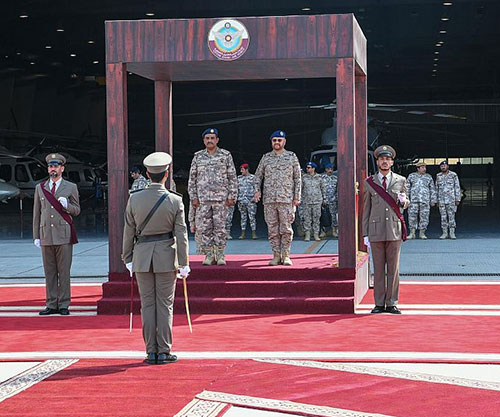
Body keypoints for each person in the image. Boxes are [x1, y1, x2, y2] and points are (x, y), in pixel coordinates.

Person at [122, 152, 189, 365]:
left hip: (141, 257)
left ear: (147, 174)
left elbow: (128, 232)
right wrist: (184, 262)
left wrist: (128, 258)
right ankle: (164, 350)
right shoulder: (175, 200)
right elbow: (181, 234)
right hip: (166, 256)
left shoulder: (134, 198)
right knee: (165, 304)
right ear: (166, 174)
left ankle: (151, 351)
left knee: (147, 304)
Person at [362, 145, 409, 314]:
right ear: (377, 162)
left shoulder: (401, 180)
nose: (384, 162)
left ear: (392, 162)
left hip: (394, 230)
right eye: (382, 159)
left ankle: (392, 302)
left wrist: (404, 201)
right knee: (379, 269)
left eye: (387, 159)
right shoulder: (370, 182)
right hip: (376, 231)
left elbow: (405, 202)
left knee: (393, 269)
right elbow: (366, 209)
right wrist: (365, 233)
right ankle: (379, 303)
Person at [33, 153, 80, 316]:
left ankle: (64, 304)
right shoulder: (40, 188)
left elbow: (77, 210)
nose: (53, 169)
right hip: (46, 234)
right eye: (50, 166)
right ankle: (51, 303)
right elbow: (36, 213)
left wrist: (67, 205)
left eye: (56, 166)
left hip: (63, 235)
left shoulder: (70, 187)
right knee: (49, 271)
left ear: (62, 168)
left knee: (64, 271)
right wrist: (36, 235)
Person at [188, 128, 238, 265]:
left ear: (217, 140)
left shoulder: (225, 155)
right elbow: (192, 179)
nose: (209, 140)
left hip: (221, 199)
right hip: (203, 199)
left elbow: (232, 177)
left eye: (212, 138)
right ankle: (209, 255)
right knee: (205, 228)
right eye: (207, 138)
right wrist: (193, 197)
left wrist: (232, 195)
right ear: (204, 140)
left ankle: (221, 255)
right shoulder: (198, 156)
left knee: (220, 228)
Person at [254, 130, 301, 266]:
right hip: (269, 200)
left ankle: (286, 255)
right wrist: (257, 191)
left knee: (286, 228)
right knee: (273, 229)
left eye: (279, 140)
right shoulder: (266, 157)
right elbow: (258, 176)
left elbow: (297, 178)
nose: (277, 143)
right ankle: (276, 255)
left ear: (284, 142)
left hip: (286, 199)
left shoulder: (291, 157)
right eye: (274, 140)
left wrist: (296, 197)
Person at [405, 161, 437, 239]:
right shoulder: (411, 176)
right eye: (422, 167)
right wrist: (406, 199)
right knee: (412, 216)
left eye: (425, 167)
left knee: (424, 217)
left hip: (425, 200)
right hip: (413, 200)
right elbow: (407, 188)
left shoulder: (428, 177)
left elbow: (432, 189)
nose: (424, 169)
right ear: (418, 168)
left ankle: (422, 233)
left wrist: (433, 200)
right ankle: (412, 233)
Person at [435, 160, 461, 239]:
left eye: (444, 166)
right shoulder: (438, 176)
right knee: (443, 217)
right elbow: (436, 188)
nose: (443, 167)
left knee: (451, 216)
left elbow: (457, 187)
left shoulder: (453, 175)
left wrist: (458, 199)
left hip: (451, 200)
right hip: (441, 200)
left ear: (447, 166)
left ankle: (452, 233)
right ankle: (444, 233)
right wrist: (436, 200)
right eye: (441, 166)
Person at [301, 161, 325, 241]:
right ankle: (307, 234)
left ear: (313, 168)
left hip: (317, 201)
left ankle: (316, 234)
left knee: (316, 218)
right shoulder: (304, 178)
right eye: (307, 167)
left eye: (309, 167)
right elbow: (300, 189)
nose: (307, 169)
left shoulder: (319, 177)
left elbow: (323, 188)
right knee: (307, 219)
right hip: (306, 201)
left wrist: (324, 199)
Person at [237, 163, 258, 239]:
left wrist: (255, 198)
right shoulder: (239, 178)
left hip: (250, 201)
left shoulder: (253, 178)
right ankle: (243, 233)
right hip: (241, 201)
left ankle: (254, 233)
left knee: (252, 217)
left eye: (242, 169)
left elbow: (256, 189)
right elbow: (236, 190)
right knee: (243, 217)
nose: (241, 171)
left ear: (247, 169)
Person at [321, 163, 338, 238]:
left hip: (333, 200)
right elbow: (319, 189)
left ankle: (334, 231)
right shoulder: (322, 178)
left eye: (331, 169)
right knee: (323, 216)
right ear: (325, 170)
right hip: (324, 200)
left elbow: (337, 190)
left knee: (333, 216)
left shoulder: (335, 178)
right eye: (328, 169)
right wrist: (322, 199)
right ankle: (323, 231)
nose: (330, 170)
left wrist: (337, 199)